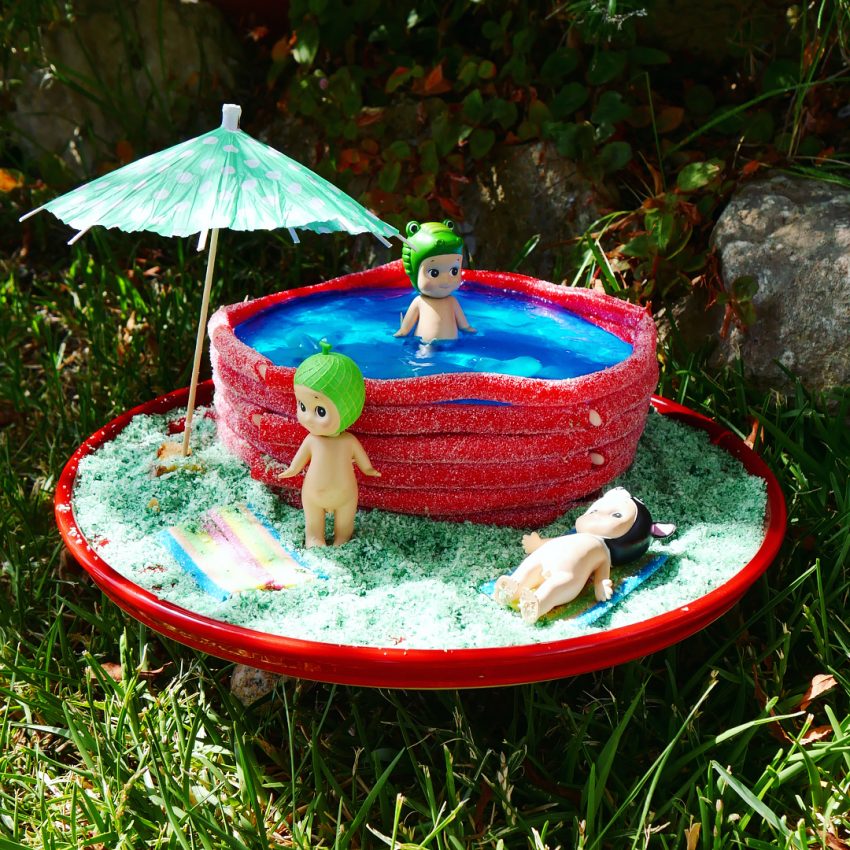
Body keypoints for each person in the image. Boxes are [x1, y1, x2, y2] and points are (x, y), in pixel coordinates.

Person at [493, 488, 664, 624]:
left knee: (559, 584)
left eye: (616, 515)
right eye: (595, 510)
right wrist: (538, 543)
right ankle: (513, 585)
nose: (598, 515)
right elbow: (555, 542)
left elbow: (602, 569)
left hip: (568, 572)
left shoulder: (602, 550)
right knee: (531, 565)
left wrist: (601, 584)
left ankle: (539, 601)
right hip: (546, 554)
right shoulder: (574, 536)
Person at [279, 341, 380, 547]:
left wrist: (369, 469)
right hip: (313, 495)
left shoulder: (348, 441)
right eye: (302, 406)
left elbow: (364, 462)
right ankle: (314, 537)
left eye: (320, 411)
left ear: (346, 410)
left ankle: (342, 537)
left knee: (345, 524)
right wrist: (291, 470)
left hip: (345, 496)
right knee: (314, 524)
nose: (308, 418)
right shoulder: (311, 441)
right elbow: (298, 463)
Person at [394, 219, 477, 342]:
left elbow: (464, 325)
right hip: (425, 346)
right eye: (434, 273)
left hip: (452, 345)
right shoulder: (419, 302)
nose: (446, 279)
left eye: (454, 271)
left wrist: (469, 330)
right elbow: (405, 328)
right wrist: (402, 332)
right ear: (414, 273)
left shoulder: (452, 301)